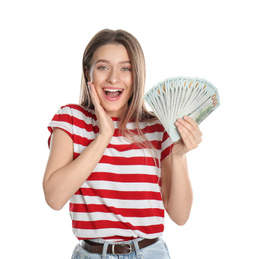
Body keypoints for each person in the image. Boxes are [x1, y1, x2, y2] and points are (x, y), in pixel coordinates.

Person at [43, 29, 202, 259]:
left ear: (137, 75)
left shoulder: (158, 127)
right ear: (88, 72)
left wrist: (178, 155)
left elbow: (180, 215)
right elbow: (54, 198)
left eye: (125, 68)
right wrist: (103, 136)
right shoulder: (71, 119)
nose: (113, 79)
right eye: (103, 67)